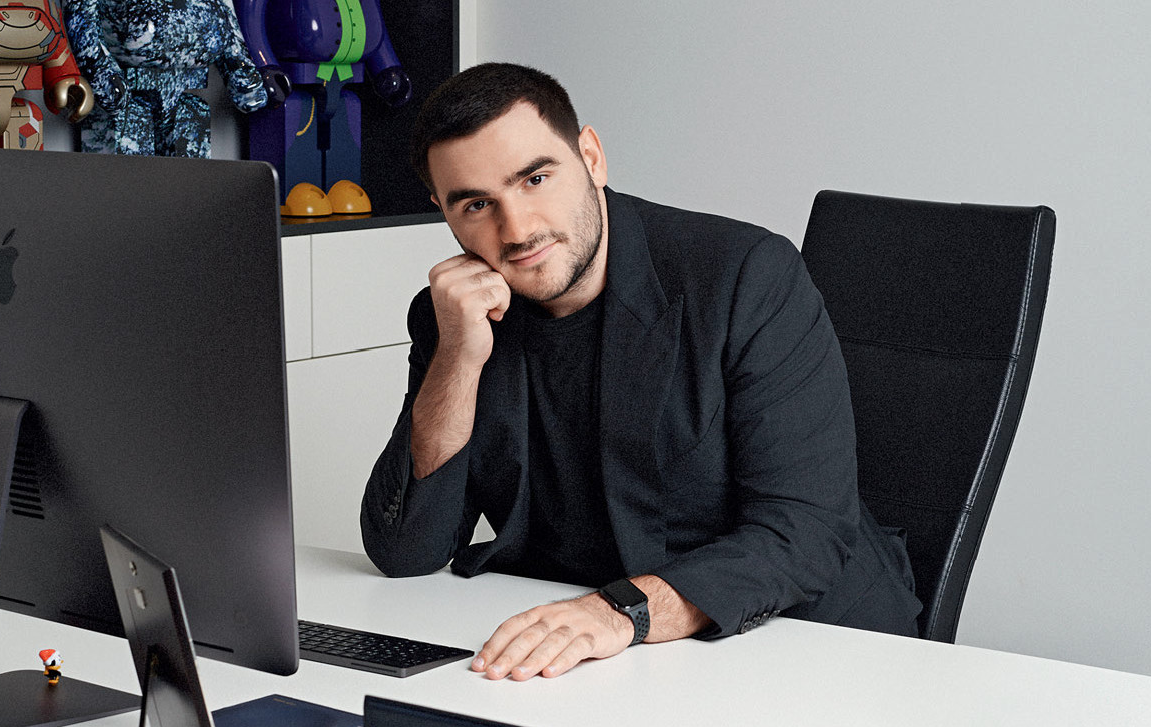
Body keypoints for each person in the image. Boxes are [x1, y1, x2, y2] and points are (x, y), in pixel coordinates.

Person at [361, 62, 921, 681]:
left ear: (591, 158)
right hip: (600, 660)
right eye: (476, 204)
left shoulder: (744, 275)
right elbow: (406, 549)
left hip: (806, 644)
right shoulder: (456, 315)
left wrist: (620, 611)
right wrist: (457, 361)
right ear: (443, 212)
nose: (516, 230)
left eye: (536, 179)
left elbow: (807, 530)